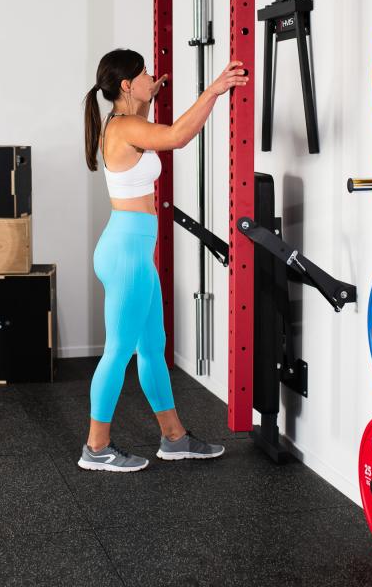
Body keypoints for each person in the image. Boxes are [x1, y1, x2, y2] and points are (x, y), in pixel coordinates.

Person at [79, 48, 249, 472]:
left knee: (152, 347)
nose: (151, 76)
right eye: (143, 74)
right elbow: (175, 137)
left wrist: (149, 95)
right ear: (126, 84)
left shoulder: (122, 122)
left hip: (131, 249)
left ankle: (174, 438)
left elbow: (150, 129)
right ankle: (96, 447)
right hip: (127, 255)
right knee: (118, 351)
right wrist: (214, 90)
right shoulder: (125, 127)